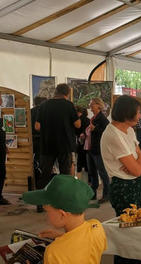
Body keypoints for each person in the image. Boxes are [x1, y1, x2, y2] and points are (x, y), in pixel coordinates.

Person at [100, 95, 141, 264]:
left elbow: (140, 158)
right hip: (124, 187)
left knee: (139, 229)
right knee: (128, 235)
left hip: (136, 184)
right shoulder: (113, 134)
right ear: (127, 114)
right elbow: (136, 169)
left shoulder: (129, 130)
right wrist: (137, 165)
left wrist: (137, 164)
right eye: (138, 112)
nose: (140, 116)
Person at [22, 174, 106, 264]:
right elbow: (81, 242)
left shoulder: (54, 252)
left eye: (47, 211)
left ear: (62, 214)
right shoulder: (96, 227)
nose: (46, 216)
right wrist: (62, 236)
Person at [35, 83, 81, 211]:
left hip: (47, 144)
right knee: (65, 174)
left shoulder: (44, 105)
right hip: (64, 145)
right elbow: (77, 124)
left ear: (56, 92)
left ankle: (40, 203)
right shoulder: (68, 105)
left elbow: (37, 127)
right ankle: (63, 202)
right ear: (67, 93)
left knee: (45, 174)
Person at [86, 98, 110, 204]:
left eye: (92, 104)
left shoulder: (103, 119)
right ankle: (93, 193)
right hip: (91, 148)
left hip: (99, 149)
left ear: (99, 105)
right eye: (90, 104)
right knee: (92, 172)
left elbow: (106, 133)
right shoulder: (93, 118)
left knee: (102, 172)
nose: (91, 106)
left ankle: (107, 194)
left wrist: (95, 129)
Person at [31, 96, 47, 193]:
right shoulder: (43, 112)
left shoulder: (29, 111)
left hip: (31, 140)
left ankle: (34, 182)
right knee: (41, 162)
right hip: (42, 139)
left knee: (32, 162)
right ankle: (40, 184)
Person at [75, 106, 90, 181]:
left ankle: (79, 179)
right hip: (86, 143)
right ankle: (88, 180)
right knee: (86, 162)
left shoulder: (80, 120)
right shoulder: (87, 119)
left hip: (82, 142)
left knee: (80, 162)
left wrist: (82, 134)